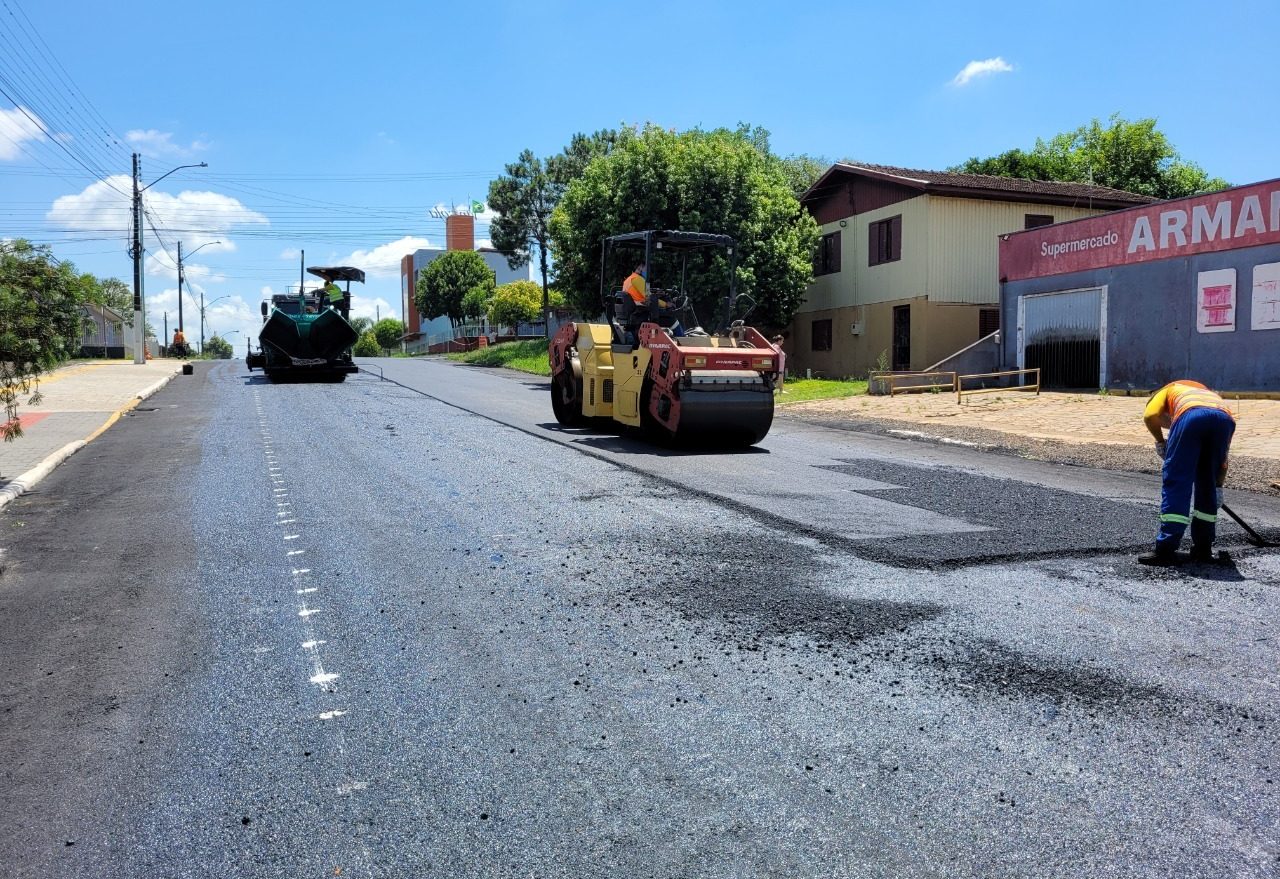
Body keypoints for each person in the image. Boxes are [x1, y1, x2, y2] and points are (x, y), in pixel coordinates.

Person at [1139, 379, 1236, 566]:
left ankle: (1166, 549)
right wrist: (1218, 489)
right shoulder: (1212, 398)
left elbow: (1150, 415)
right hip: (1224, 421)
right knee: (1207, 484)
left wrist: (1160, 442)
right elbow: (1222, 463)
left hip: (1190, 418)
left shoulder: (1168, 390)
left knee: (1177, 481)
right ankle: (1203, 549)